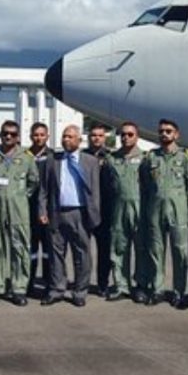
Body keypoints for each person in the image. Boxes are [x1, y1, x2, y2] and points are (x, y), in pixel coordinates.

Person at [40, 125, 101, 307]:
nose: (66, 140)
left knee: (82, 253)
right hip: (57, 212)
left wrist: (93, 215)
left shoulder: (90, 161)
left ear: (79, 140)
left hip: (80, 213)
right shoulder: (53, 160)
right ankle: (57, 289)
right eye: (64, 136)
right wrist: (42, 210)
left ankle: (80, 291)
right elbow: (44, 189)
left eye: (70, 137)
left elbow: (95, 191)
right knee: (56, 253)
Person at [0, 121, 39, 307]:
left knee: (20, 247)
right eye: (5, 133)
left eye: (12, 134)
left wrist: (20, 196)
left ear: (18, 137)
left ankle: (19, 288)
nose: (8, 137)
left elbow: (33, 182)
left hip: (18, 209)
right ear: (0, 134)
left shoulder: (27, 157)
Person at [140, 119, 188, 306]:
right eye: (162, 131)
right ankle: (157, 289)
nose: (164, 134)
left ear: (176, 134)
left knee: (180, 251)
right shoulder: (150, 158)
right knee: (156, 250)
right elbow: (146, 184)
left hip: (178, 210)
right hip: (155, 210)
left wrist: (178, 200)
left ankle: (179, 291)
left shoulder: (186, 157)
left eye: (169, 131)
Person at [104, 122, 146, 302]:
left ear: (137, 136)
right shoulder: (111, 159)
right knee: (119, 248)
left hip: (140, 208)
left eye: (130, 134)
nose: (126, 137)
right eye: (123, 134)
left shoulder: (146, 158)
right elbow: (106, 185)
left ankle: (141, 285)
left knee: (142, 249)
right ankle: (121, 285)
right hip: (118, 208)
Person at [85, 124, 113, 295]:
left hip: (105, 210)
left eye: (100, 135)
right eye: (93, 135)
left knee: (105, 250)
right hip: (86, 209)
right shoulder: (82, 156)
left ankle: (103, 284)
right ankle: (83, 282)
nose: (96, 138)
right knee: (83, 249)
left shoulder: (111, 157)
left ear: (105, 138)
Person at [27, 122, 54, 295]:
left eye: (42, 135)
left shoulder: (54, 156)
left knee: (48, 249)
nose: (39, 138)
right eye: (36, 134)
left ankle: (48, 282)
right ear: (31, 136)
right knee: (30, 248)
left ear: (47, 136)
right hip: (28, 207)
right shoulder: (25, 155)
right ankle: (28, 282)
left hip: (48, 209)